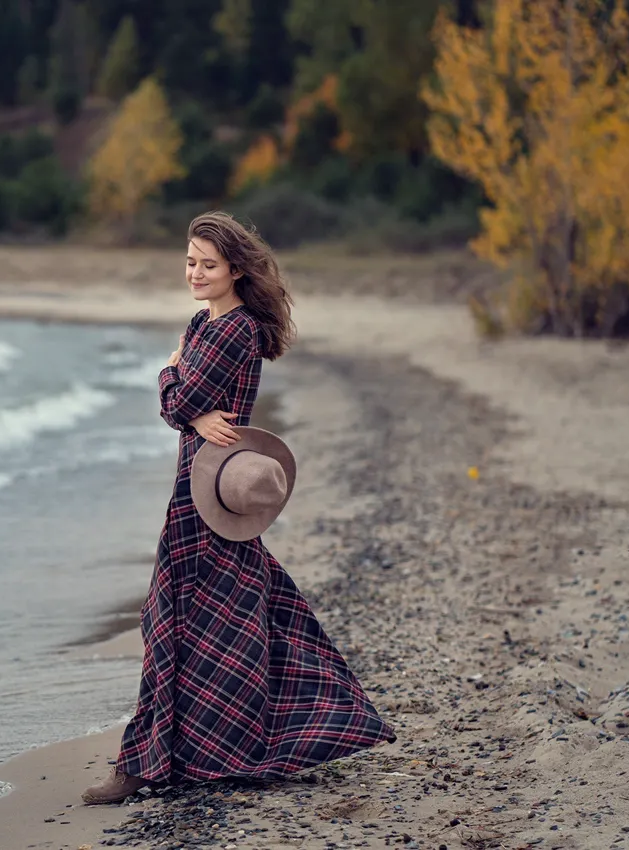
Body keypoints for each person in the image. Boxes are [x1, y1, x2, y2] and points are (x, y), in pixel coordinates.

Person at [82, 212, 395, 804]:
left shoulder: (233, 332)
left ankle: (146, 766)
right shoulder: (205, 323)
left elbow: (176, 397)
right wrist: (184, 398)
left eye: (208, 264)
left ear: (235, 270)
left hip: (211, 492)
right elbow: (181, 403)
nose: (195, 273)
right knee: (223, 621)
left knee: (181, 623)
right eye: (190, 261)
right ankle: (211, 752)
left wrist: (175, 378)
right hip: (197, 485)